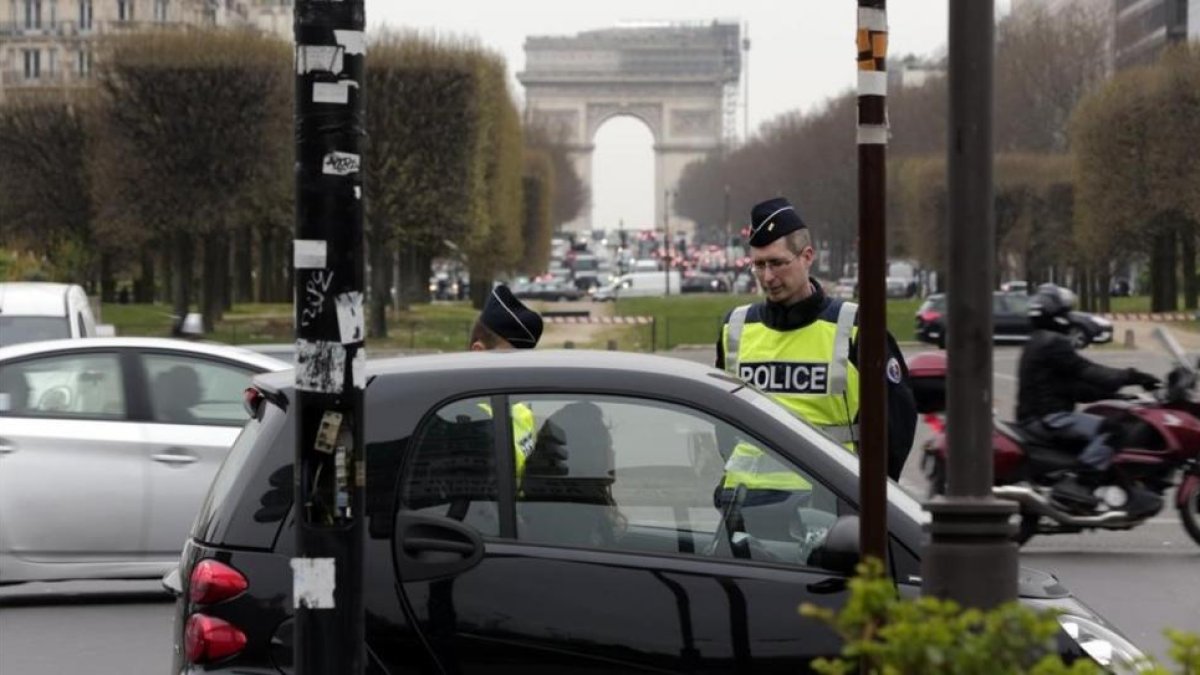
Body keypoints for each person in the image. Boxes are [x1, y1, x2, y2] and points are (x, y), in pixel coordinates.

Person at [715, 197, 918, 509]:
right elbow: (723, 422)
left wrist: (872, 506)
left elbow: (896, 427)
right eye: (758, 264)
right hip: (746, 510)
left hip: (832, 511)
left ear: (807, 256)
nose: (767, 277)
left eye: (777, 263)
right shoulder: (735, 328)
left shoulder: (855, 328)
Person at [1016, 283, 1161, 516]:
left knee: (1105, 417)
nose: (1069, 316)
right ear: (1056, 314)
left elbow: (1074, 387)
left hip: (1037, 415)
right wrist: (1133, 376)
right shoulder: (1054, 343)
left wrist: (1117, 395)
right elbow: (1089, 371)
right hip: (1050, 418)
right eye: (1065, 311)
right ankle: (1083, 483)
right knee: (1113, 430)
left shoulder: (1038, 341)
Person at [469, 284, 544, 483]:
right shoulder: (464, 421)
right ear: (479, 352)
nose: (521, 368)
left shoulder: (519, 409)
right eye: (511, 357)